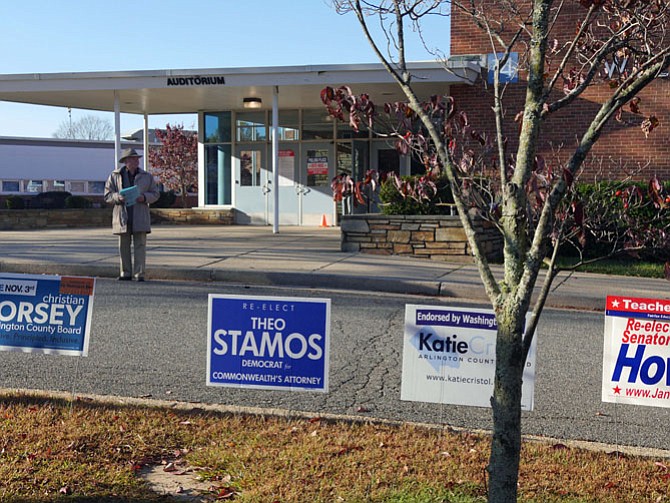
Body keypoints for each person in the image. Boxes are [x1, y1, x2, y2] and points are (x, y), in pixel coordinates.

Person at [104, 148, 159, 281]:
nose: (137, 161)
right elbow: (107, 195)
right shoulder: (115, 176)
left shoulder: (147, 176)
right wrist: (118, 197)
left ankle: (139, 274)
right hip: (123, 216)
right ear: (126, 161)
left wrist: (144, 197)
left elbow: (156, 194)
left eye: (137, 158)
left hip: (140, 216)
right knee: (123, 246)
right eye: (133, 158)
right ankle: (125, 272)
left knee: (140, 246)